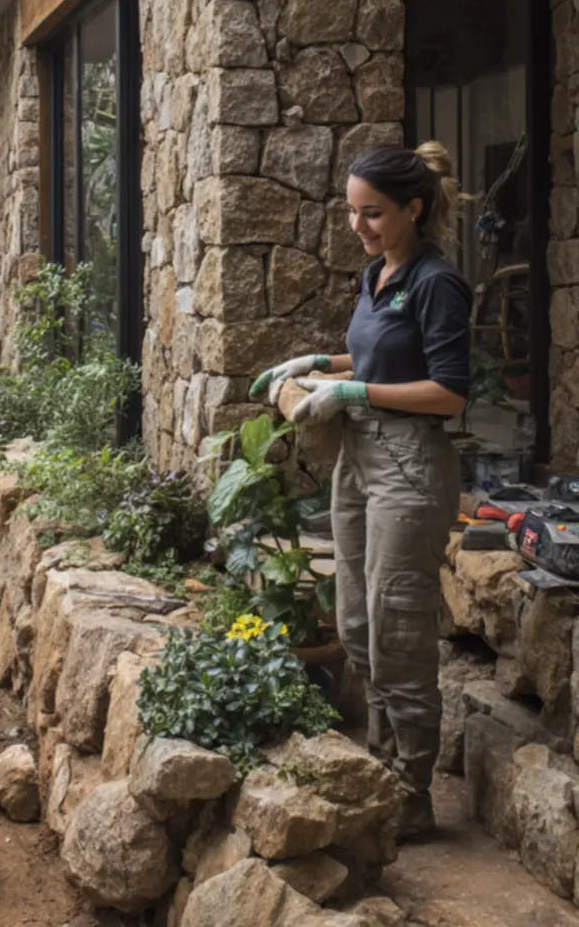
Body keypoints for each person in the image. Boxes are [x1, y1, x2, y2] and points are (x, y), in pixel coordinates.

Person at [252, 142, 471, 840]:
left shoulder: (437, 282)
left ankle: (410, 791)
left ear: (413, 208)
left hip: (409, 462)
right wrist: (320, 362)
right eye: (351, 212)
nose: (358, 227)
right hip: (359, 458)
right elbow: (380, 353)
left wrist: (351, 389)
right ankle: (380, 770)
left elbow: (450, 391)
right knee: (354, 622)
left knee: (398, 628)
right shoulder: (379, 272)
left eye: (372, 213)